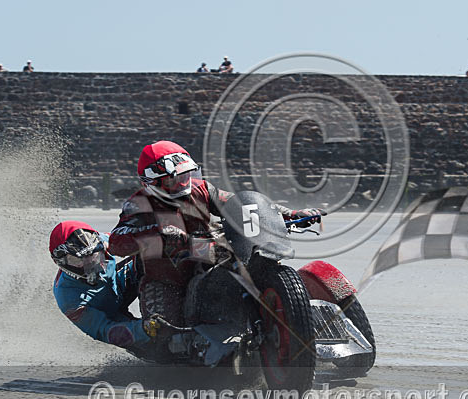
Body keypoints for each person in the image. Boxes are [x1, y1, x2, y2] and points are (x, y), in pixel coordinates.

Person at [109, 141, 324, 329]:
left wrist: (291, 214)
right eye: (173, 180)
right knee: (162, 335)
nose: (183, 184)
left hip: (209, 252)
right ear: (151, 183)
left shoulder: (200, 189)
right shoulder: (138, 204)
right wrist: (158, 233)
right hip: (168, 277)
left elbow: (240, 205)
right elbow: (116, 242)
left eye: (186, 176)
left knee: (253, 263)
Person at [50, 220, 172, 361]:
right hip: (109, 315)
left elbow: (132, 240)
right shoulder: (68, 300)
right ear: (60, 263)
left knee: (149, 255)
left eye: (94, 255)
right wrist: (143, 329)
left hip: (119, 282)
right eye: (78, 261)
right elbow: (105, 330)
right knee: (160, 352)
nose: (89, 264)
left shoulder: (101, 241)